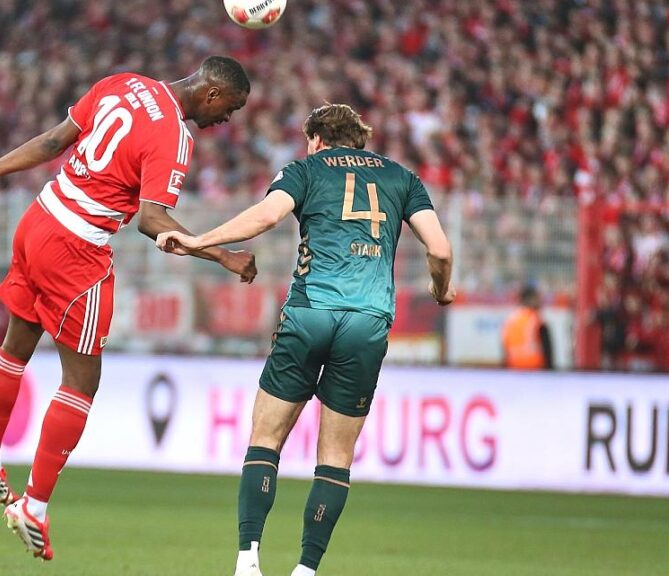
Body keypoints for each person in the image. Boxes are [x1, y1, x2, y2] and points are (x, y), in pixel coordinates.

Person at [0, 56, 257, 561]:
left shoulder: (125, 83)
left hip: (39, 217)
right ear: (212, 93)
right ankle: (33, 506)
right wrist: (222, 254)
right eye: (230, 108)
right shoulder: (174, 137)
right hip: (76, 248)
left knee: (16, 347)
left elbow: (54, 142)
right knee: (82, 382)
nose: (226, 119)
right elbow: (151, 220)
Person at [157, 103, 455, 576]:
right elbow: (439, 249)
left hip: (310, 312)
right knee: (335, 457)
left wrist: (199, 242)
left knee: (266, 438)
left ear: (316, 139)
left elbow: (266, 216)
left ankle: (248, 560)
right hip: (367, 323)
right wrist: (441, 289)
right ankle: (306, 569)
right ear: (359, 138)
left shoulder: (306, 169)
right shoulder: (402, 178)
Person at [502, 284, 554, 370]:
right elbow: (547, 350)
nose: (540, 302)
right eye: (537, 298)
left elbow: (505, 347)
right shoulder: (536, 320)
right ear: (529, 299)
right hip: (535, 368)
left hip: (513, 369)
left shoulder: (510, 320)